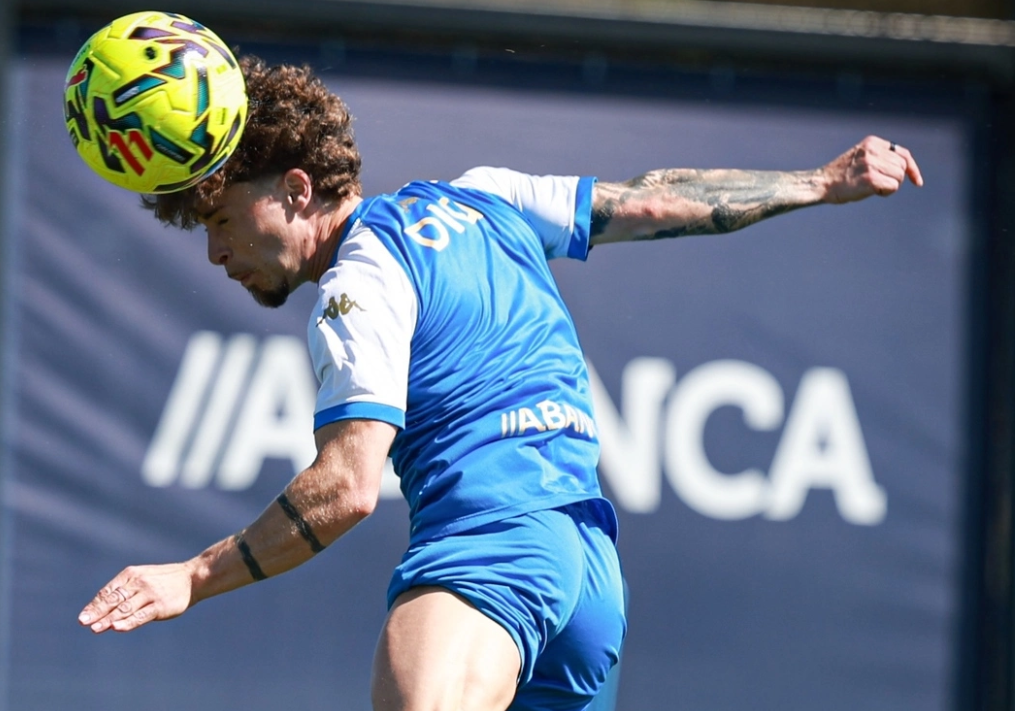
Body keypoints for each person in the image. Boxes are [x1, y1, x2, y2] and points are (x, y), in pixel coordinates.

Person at [77, 55, 923, 711]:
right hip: (589, 571)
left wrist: (193, 575)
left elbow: (347, 488)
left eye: (222, 219)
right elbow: (652, 201)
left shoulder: (356, 286)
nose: (215, 252)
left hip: (490, 550)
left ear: (298, 190)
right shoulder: (485, 197)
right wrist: (818, 182)